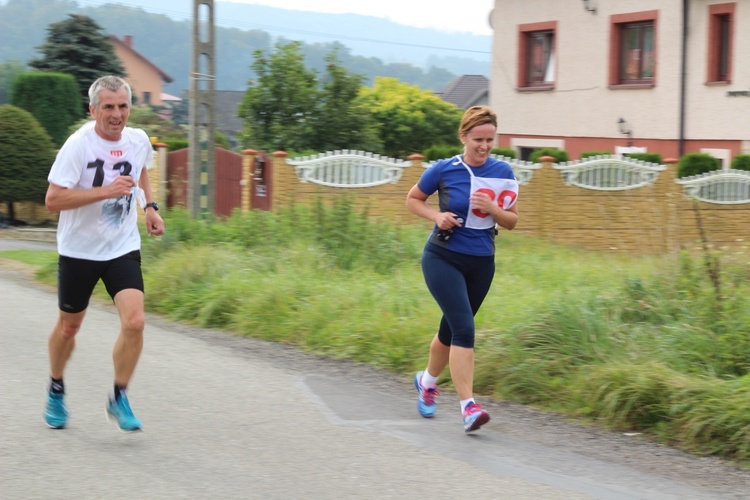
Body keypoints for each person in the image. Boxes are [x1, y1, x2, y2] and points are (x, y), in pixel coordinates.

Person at [43, 75, 165, 432]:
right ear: (93, 109)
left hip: (121, 246)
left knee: (135, 321)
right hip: (79, 249)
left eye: (123, 106)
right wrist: (104, 191)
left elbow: (140, 169)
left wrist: (150, 207)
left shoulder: (138, 139)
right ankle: (55, 386)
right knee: (69, 327)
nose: (116, 114)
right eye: (108, 107)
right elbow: (52, 200)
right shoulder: (78, 145)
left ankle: (119, 395)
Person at [406, 105, 519, 433]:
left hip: (482, 262)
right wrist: (436, 216)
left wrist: (494, 209)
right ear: (463, 137)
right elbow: (413, 199)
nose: (484, 146)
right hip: (443, 257)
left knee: (450, 330)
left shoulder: (504, 172)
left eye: (490, 139)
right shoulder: (444, 170)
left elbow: (512, 222)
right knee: (465, 330)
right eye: (477, 139)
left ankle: (426, 382)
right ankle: (469, 406)